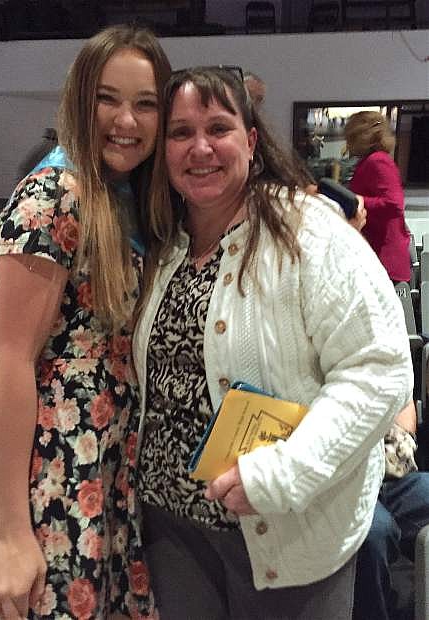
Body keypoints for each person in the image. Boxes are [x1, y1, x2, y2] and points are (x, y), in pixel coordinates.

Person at [132, 66, 413, 620]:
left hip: (289, 531)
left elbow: (379, 368)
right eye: (181, 132)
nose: (201, 147)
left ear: (252, 139)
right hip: (173, 529)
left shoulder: (308, 231)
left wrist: (285, 474)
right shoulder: (164, 245)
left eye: (218, 127)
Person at [0, 24, 171, 620]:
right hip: (51, 476)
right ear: (81, 99)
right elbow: (8, 360)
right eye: (108, 98)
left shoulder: (126, 198)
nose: (126, 120)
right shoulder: (53, 194)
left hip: (106, 470)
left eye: (145, 103)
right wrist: (9, 532)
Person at [354, 401, 429, 620]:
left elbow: (405, 405)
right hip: (347, 486)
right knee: (373, 533)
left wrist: (401, 437)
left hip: (389, 475)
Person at [344, 111, 411, 284]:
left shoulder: (377, 161)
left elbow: (394, 204)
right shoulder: (372, 160)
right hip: (378, 256)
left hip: (384, 259)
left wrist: (357, 199)